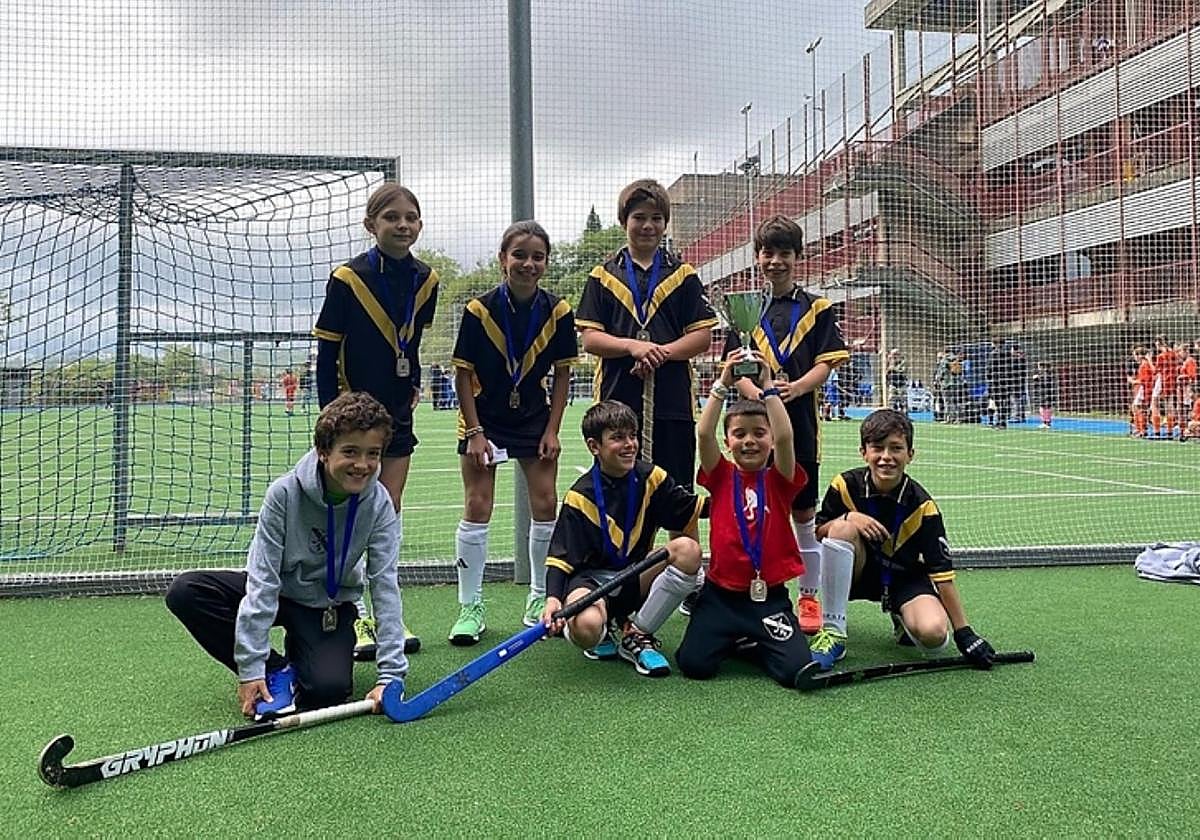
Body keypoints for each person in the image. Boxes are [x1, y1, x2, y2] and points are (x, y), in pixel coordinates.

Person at [165, 392, 408, 719]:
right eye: (350, 451)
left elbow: (385, 586)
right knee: (187, 592)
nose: (362, 464)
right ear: (323, 451)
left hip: (327, 604)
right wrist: (252, 668)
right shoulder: (283, 494)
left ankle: (306, 659)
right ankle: (276, 669)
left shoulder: (379, 504)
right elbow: (263, 580)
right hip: (280, 590)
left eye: (373, 454)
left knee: (327, 691)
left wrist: (390, 677)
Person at [575, 178, 716, 613]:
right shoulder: (603, 276)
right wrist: (633, 346)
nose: (648, 226)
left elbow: (702, 337)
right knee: (622, 493)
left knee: (677, 492)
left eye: (656, 218)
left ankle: (688, 581)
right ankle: (622, 583)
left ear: (665, 223)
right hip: (618, 402)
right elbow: (591, 338)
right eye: (639, 217)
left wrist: (660, 353)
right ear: (624, 221)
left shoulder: (682, 275)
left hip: (672, 403)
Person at [313, 183, 435, 658]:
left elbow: (411, 343)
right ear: (371, 225)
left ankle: (388, 616)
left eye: (411, 217)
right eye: (391, 217)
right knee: (349, 511)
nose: (403, 225)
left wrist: (414, 382)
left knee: (388, 510)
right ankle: (354, 612)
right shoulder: (348, 279)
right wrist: (331, 417)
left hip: (396, 415)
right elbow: (327, 353)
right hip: (351, 417)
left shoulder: (427, 280)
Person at [449, 221, 578, 644]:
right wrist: (474, 432)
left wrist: (553, 430)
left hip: (533, 417)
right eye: (519, 255)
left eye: (538, 256)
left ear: (546, 262)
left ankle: (540, 597)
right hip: (483, 417)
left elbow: (562, 375)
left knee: (545, 502)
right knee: (477, 503)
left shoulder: (559, 311)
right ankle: (470, 607)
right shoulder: (478, 310)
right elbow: (463, 374)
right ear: (503, 259)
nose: (528, 264)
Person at [722, 214, 847, 634]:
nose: (775, 261)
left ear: (798, 257)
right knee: (752, 507)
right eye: (768, 253)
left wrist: (794, 388)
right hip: (753, 427)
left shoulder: (818, 308)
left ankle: (808, 597)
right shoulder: (744, 309)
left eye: (784, 253)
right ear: (757, 257)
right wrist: (760, 394)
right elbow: (734, 369)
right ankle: (750, 589)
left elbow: (826, 362)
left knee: (803, 511)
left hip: (801, 423)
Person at [807, 409, 997, 671]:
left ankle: (902, 615)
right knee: (840, 529)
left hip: (903, 578)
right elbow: (819, 531)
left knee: (934, 636)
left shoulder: (923, 506)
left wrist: (964, 632)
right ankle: (833, 633)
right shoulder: (844, 485)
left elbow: (942, 575)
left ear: (910, 454)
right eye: (877, 448)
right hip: (857, 572)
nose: (886, 457)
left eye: (896, 448)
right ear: (863, 452)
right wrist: (850, 516)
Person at [675, 353, 814, 687]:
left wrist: (768, 386)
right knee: (694, 664)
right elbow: (703, 434)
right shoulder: (720, 475)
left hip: (768, 598)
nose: (749, 441)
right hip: (720, 597)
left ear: (770, 440)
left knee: (795, 670)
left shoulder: (780, 479)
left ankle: (756, 642)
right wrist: (723, 383)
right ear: (728, 442)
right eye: (739, 434)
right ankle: (739, 639)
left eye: (759, 433)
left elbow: (786, 437)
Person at [540, 400, 704, 677]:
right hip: (591, 584)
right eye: (617, 438)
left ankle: (636, 635)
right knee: (587, 628)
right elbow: (561, 558)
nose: (629, 444)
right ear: (594, 446)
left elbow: (689, 508)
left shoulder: (651, 477)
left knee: (688, 550)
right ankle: (597, 627)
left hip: (634, 576)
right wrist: (553, 599)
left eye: (632, 435)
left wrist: (740, 497)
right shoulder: (580, 496)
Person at [1152, 336, 1179, 440]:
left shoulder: (1161, 356)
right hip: (1171, 380)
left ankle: (1157, 431)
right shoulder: (1174, 354)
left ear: (1159, 343)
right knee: (1170, 405)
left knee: (1154, 404)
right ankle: (1169, 432)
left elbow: (1155, 370)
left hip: (1162, 379)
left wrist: (1149, 360)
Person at [1130, 346, 1155, 438]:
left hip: (1143, 389)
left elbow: (1144, 380)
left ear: (1140, 356)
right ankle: (1142, 429)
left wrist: (1133, 381)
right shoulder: (1145, 364)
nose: (1135, 358)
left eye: (1135, 356)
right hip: (1146, 388)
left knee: (1137, 407)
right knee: (1141, 409)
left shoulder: (1144, 365)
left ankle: (1140, 430)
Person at [1030, 360, 1058, 428]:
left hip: (1047, 393)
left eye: (1039, 366)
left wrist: (1037, 379)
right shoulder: (1043, 374)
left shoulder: (1047, 375)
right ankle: (1045, 422)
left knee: (1046, 408)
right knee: (1043, 408)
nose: (1038, 368)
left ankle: (1047, 422)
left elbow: (1045, 384)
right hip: (1043, 393)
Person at [885, 349, 908, 414]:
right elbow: (886, 372)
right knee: (891, 401)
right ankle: (892, 415)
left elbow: (902, 370)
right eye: (893, 355)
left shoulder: (903, 362)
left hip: (901, 384)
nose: (894, 356)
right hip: (892, 384)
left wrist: (892, 367)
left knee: (903, 402)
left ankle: (904, 415)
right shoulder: (889, 362)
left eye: (895, 354)